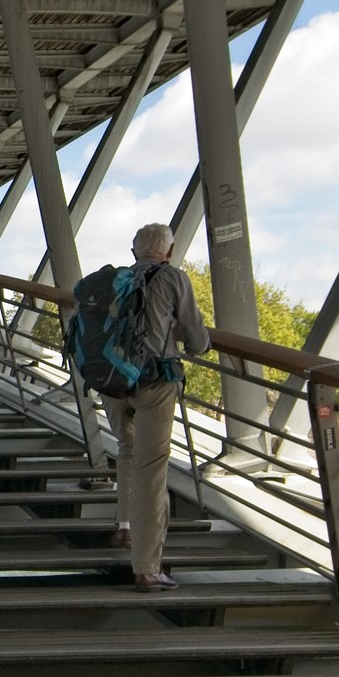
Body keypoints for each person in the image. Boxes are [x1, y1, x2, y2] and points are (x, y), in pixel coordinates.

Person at [103, 223, 211, 591]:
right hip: (155, 381)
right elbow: (198, 340)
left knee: (126, 449)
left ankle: (124, 527)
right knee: (151, 470)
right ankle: (147, 568)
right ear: (168, 250)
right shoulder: (173, 279)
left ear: (135, 252)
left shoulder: (112, 281)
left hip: (112, 380)